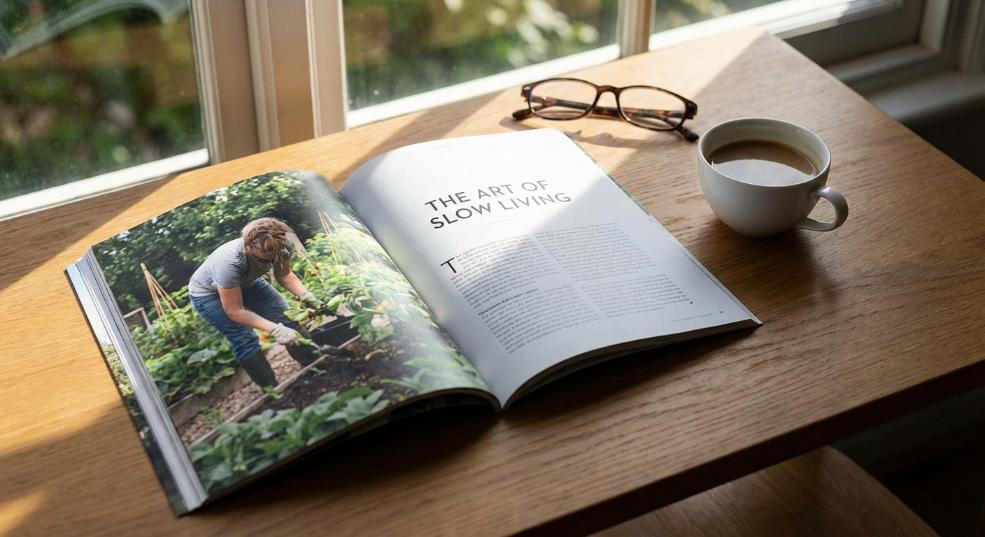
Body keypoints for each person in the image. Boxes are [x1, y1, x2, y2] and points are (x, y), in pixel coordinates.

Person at [188, 217, 322, 389]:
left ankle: (317, 364)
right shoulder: (229, 262)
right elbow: (235, 311)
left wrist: (307, 296)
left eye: (271, 258)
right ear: (248, 245)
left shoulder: (283, 245)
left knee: (287, 317)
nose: (267, 263)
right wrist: (276, 329)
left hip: (248, 281)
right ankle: (273, 391)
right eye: (262, 259)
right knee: (244, 338)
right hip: (208, 295)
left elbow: (284, 275)